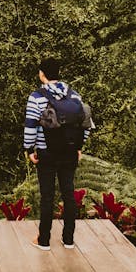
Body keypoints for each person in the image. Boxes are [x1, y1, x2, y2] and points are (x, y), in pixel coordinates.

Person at [23, 56, 90, 251]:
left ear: (42, 74)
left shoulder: (36, 97)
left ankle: (44, 240)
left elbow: (31, 126)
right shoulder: (75, 95)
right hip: (69, 152)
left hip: (47, 153)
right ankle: (68, 239)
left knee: (47, 196)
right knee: (69, 194)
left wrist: (29, 149)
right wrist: (78, 147)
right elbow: (84, 124)